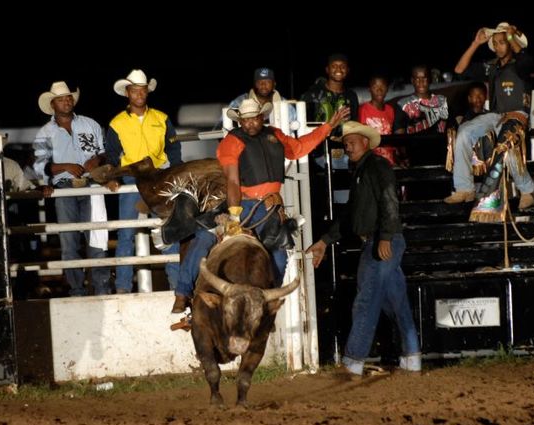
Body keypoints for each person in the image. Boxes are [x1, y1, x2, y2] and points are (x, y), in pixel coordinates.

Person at [171, 99, 349, 313]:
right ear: (240, 121)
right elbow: (233, 181)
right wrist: (234, 216)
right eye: (244, 120)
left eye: (253, 119)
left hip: (269, 207)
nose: (249, 124)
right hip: (242, 203)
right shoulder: (232, 141)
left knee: (280, 254)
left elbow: (299, 148)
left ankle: (265, 303)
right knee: (204, 237)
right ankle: (182, 292)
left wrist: (327, 127)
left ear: (261, 117)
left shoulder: (275, 135)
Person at [306, 121, 421, 376]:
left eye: (351, 142)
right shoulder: (363, 170)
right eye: (345, 144)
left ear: (365, 143)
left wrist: (386, 237)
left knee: (367, 298)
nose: (347, 147)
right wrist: (325, 240)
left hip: (380, 240)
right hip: (381, 239)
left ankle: (353, 361)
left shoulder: (376, 166)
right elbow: (351, 215)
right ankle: (412, 357)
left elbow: (390, 199)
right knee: (395, 300)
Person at [33, 81, 116, 297]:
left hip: (91, 184)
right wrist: (66, 167)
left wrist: (95, 160)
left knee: (96, 238)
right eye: (61, 99)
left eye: (68, 97)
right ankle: (77, 289)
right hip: (64, 187)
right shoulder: (45, 132)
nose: (66, 101)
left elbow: (107, 152)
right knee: (69, 243)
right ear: (53, 104)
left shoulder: (91, 124)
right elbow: (39, 165)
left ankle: (101, 288)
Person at [445, 22, 534, 211]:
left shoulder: (520, 64)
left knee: (507, 144)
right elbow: (460, 70)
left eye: (502, 42)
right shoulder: (492, 66)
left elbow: (525, 61)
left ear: (511, 43)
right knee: (464, 132)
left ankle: (527, 191)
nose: (498, 46)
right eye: (496, 43)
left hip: (517, 114)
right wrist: (476, 43)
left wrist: (512, 37)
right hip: (495, 115)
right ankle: (464, 188)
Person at [106, 69, 182, 294]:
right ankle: (122, 287)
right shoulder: (116, 123)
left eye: (142, 90)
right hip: (132, 178)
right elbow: (111, 155)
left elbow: (173, 147)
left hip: (159, 176)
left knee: (168, 229)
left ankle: (177, 286)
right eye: (134, 90)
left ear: (146, 92)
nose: (139, 94)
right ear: (127, 93)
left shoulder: (162, 118)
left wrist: (175, 173)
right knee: (126, 232)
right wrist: (114, 178)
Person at [225, 67, 296, 128]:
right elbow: (224, 122)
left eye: (268, 82)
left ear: (274, 84)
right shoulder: (240, 101)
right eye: (259, 82)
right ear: (255, 84)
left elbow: (295, 125)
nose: (263, 85)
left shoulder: (285, 105)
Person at [393, 65, 449, 135]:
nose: (421, 82)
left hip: (440, 145)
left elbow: (452, 128)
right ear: (412, 81)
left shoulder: (442, 101)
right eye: (417, 79)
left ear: (429, 79)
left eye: (424, 78)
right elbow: (399, 136)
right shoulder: (403, 105)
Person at [358, 74, 397, 166]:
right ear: (369, 89)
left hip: (388, 161)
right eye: (375, 87)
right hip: (371, 163)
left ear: (387, 89)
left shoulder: (390, 110)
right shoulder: (362, 110)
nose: (379, 90)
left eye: (382, 86)